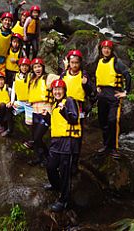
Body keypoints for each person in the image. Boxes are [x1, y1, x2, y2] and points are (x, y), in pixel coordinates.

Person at [44, 79, 81, 213]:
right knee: (50, 166)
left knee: (65, 171)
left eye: (60, 89)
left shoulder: (69, 101)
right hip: (56, 142)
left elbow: (74, 118)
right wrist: (46, 117)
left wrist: (64, 110)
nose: (57, 92)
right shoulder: (55, 104)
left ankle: (64, 201)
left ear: (64, 91)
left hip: (67, 142)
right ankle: (56, 185)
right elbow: (56, 123)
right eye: (55, 90)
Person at [61, 49, 96, 172]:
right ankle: (64, 158)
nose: (74, 65)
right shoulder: (64, 74)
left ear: (80, 63)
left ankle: (74, 162)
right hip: (65, 107)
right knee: (64, 133)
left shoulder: (84, 75)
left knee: (77, 135)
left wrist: (86, 84)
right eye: (72, 62)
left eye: (76, 62)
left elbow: (92, 92)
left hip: (79, 107)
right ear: (69, 63)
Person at [95, 40, 131, 158]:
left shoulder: (116, 62)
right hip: (102, 95)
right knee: (103, 121)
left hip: (113, 95)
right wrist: (98, 87)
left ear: (111, 50)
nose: (106, 50)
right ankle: (106, 145)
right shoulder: (100, 61)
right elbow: (99, 76)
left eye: (108, 48)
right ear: (101, 49)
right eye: (104, 48)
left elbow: (127, 75)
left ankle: (114, 148)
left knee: (112, 121)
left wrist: (125, 92)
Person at [28, 58, 53, 166]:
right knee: (35, 137)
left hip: (45, 111)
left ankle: (47, 158)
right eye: (35, 67)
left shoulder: (49, 77)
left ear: (43, 67)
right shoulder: (32, 80)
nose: (37, 69)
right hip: (35, 111)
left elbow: (62, 80)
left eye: (39, 66)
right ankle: (40, 157)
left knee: (38, 137)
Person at [10, 57, 33, 138]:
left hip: (29, 103)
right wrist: (12, 101)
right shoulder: (16, 76)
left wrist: (31, 100)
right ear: (19, 66)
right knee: (9, 109)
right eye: (22, 65)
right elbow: (13, 89)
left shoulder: (31, 76)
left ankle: (32, 139)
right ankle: (9, 129)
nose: (24, 67)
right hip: (19, 102)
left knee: (29, 122)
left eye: (26, 66)